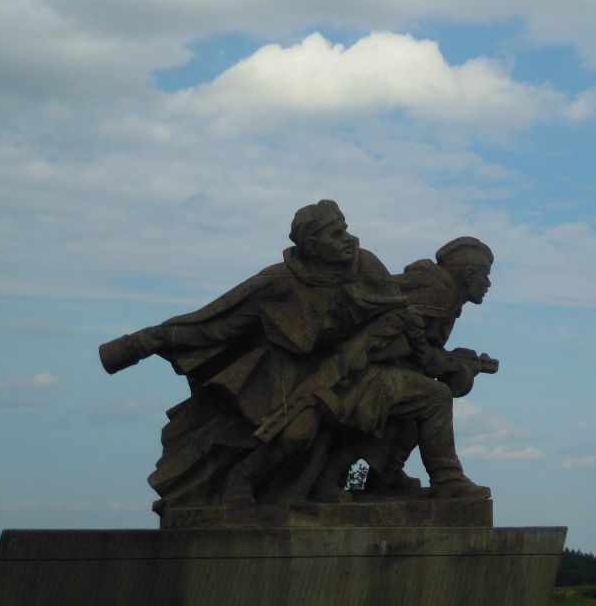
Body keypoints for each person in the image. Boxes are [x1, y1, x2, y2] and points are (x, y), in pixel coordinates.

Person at [99, 201, 488, 509]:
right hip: (293, 376)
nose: (349, 239)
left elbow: (399, 317)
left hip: (356, 368)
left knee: (431, 396)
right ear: (313, 246)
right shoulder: (278, 281)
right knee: (296, 435)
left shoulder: (366, 265)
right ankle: (242, 481)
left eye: (346, 229)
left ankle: (445, 480)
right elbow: (217, 323)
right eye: (337, 234)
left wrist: (436, 361)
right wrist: (142, 343)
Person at [347, 237, 499, 496]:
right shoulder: (438, 291)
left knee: (415, 410)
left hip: (375, 371)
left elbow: (416, 346)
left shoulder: (441, 292)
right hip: (361, 373)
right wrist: (436, 360)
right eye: (485, 276)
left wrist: (455, 360)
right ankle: (447, 479)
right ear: (469, 274)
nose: (488, 284)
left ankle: (386, 477)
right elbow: (405, 326)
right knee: (436, 398)